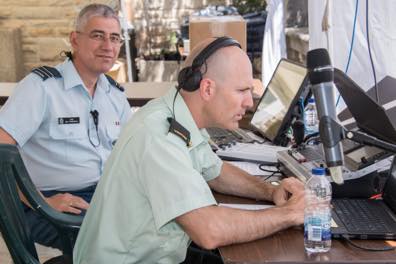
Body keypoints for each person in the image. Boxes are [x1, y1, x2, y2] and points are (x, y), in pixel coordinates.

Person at [73, 37, 305, 264]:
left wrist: (270, 191)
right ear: (207, 88)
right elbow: (209, 231)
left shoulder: (177, 115)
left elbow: (214, 170)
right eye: (242, 91)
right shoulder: (159, 136)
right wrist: (289, 214)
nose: (249, 103)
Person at [0, 4, 131, 249]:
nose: (108, 46)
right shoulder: (41, 88)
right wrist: (41, 201)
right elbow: (0, 153)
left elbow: (131, 155)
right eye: (97, 35)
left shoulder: (115, 96)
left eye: (115, 38)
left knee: (173, 225)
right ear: (75, 40)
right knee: (123, 243)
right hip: (48, 202)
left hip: (104, 196)